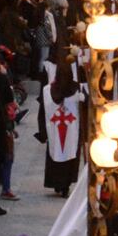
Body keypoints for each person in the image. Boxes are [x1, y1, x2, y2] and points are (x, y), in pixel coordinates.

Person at [41, 61, 86, 197]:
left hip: (54, 130)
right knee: (69, 155)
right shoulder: (77, 88)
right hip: (71, 131)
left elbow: (42, 112)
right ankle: (65, 185)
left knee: (55, 153)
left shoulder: (47, 90)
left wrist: (42, 133)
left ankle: (56, 183)